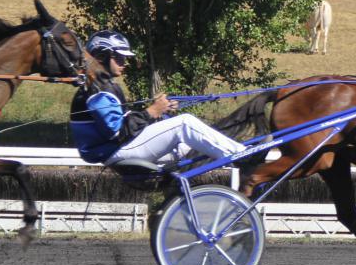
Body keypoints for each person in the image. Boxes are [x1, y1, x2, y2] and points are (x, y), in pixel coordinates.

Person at [70, 30, 246, 168]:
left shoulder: (103, 86)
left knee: (191, 146)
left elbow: (124, 121)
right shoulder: (97, 91)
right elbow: (117, 132)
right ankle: (243, 156)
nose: (124, 62)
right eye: (119, 57)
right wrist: (152, 111)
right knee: (184, 123)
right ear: (101, 56)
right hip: (114, 151)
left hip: (117, 149)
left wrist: (160, 112)